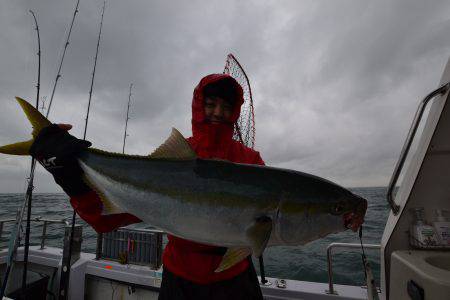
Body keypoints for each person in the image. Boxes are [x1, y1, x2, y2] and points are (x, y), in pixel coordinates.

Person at [30, 73, 264, 299]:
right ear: (198, 106)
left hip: (235, 277)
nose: (218, 113)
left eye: (226, 107)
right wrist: (70, 180)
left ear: (234, 112)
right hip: (180, 278)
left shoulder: (251, 161)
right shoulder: (172, 162)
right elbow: (105, 220)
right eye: (211, 104)